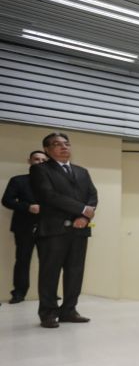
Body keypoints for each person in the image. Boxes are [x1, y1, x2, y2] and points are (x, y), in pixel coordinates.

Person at [30, 133, 97, 329]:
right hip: (53, 230)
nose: (64, 147)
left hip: (80, 230)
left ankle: (69, 310)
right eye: (57, 144)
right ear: (47, 150)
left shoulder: (82, 171)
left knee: (75, 272)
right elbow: (49, 196)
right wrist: (81, 209)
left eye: (66, 144)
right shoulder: (40, 170)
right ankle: (48, 313)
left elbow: (92, 196)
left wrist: (84, 217)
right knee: (49, 273)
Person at [2, 151, 48, 303]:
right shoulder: (18, 180)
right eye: (36, 159)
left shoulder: (53, 182)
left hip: (48, 228)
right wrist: (27, 207)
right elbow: (7, 200)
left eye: (43, 160)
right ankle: (19, 294)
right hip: (23, 227)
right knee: (22, 260)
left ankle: (48, 294)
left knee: (48, 262)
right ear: (29, 161)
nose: (40, 162)